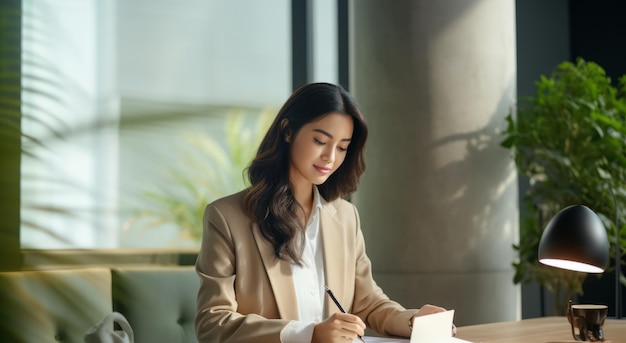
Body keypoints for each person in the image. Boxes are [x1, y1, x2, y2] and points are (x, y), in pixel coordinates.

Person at [195, 82, 452, 343]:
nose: (330, 156)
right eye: (320, 141)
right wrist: (309, 334)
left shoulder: (345, 217)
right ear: (287, 131)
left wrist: (413, 321)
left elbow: (367, 303)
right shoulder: (226, 217)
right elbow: (213, 322)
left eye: (342, 147)